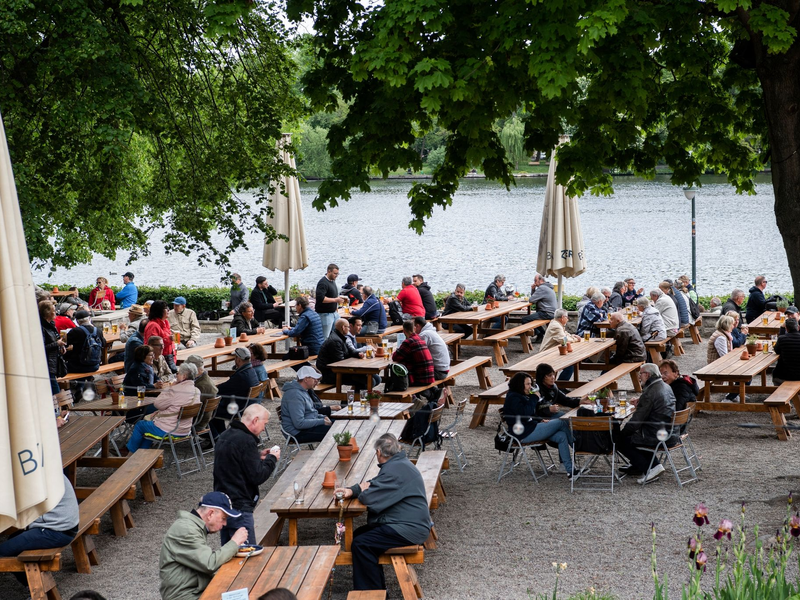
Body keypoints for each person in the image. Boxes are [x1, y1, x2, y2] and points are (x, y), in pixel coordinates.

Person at [335, 433, 431, 592]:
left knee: (361, 544)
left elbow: (369, 497)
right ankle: (377, 588)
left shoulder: (394, 469)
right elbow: (374, 484)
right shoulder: (398, 463)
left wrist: (363, 491)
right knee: (359, 535)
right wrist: (352, 490)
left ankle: (371, 593)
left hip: (408, 528)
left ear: (379, 452)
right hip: (407, 521)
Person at [159, 492, 248, 600]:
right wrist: (235, 542)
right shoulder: (186, 530)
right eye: (223, 518)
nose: (225, 524)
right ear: (210, 514)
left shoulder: (192, 526)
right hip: (185, 596)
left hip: (195, 590)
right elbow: (209, 564)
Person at [213, 404, 279, 544]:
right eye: (264, 423)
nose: (264, 428)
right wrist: (272, 459)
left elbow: (235, 463)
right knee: (247, 554)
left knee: (228, 551)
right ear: (255, 420)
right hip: (239, 505)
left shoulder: (226, 435)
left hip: (223, 503)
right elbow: (258, 476)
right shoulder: (246, 440)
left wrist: (257, 456)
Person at [502, 372, 575, 477]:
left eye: (531, 384)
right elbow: (525, 413)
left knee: (561, 436)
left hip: (531, 427)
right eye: (527, 384)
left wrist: (540, 420)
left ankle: (570, 470)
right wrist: (534, 398)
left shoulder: (521, 395)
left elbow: (531, 414)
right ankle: (578, 446)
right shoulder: (513, 397)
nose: (530, 387)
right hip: (523, 433)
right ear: (519, 384)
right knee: (561, 421)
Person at [616, 364, 676, 483]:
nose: (639, 377)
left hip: (655, 435)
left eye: (641, 374)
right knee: (632, 436)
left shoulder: (650, 392)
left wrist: (621, 433)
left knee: (620, 440)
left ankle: (651, 468)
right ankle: (638, 465)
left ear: (647, 375)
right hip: (671, 431)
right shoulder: (665, 386)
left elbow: (636, 421)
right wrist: (641, 403)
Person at [124, 362, 200, 454]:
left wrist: (168, 389)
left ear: (184, 376)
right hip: (185, 430)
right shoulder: (197, 391)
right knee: (148, 429)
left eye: (178, 373)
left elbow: (157, 404)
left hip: (169, 430)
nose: (176, 375)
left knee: (140, 425)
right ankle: (141, 456)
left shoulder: (175, 390)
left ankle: (130, 455)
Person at [0, 474, 79, 557]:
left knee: (3, 550)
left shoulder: (33, 476)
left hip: (55, 531)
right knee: (12, 539)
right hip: (65, 527)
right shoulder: (45, 469)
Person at [212, 346, 260, 439]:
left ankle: (217, 436)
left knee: (210, 409)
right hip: (250, 407)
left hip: (239, 409)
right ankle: (221, 434)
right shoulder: (251, 371)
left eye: (235, 358)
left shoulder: (241, 376)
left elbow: (220, 390)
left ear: (238, 360)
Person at [317, 319, 378, 390]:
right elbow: (341, 363)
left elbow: (351, 351)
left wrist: (358, 354)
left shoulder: (341, 337)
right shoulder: (335, 341)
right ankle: (350, 399)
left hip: (337, 371)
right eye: (348, 327)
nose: (349, 329)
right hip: (330, 374)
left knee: (376, 378)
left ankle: (350, 399)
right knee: (369, 381)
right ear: (343, 327)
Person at [280, 366, 333, 443]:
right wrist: (322, 421)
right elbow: (299, 423)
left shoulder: (303, 391)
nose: (317, 382)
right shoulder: (295, 395)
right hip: (297, 433)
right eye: (314, 379)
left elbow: (311, 412)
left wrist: (323, 417)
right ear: (306, 379)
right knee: (336, 431)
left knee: (339, 425)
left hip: (304, 429)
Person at [540, 308, 582, 380]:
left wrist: (572, 336)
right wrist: (575, 339)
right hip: (547, 354)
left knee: (572, 362)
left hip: (553, 352)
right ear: (562, 317)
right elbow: (564, 340)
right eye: (567, 317)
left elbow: (565, 335)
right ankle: (560, 386)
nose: (568, 319)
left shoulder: (556, 323)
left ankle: (561, 385)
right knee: (570, 365)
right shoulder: (556, 326)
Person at [391, 320, 435, 386]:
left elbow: (395, 357)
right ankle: (430, 392)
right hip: (430, 376)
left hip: (421, 378)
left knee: (397, 370)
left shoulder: (408, 342)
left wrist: (397, 350)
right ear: (414, 329)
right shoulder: (420, 339)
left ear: (404, 331)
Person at [65, 309, 106, 374]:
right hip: (95, 365)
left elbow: (64, 344)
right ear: (89, 319)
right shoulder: (98, 330)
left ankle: (78, 384)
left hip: (77, 366)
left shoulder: (75, 331)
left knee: (62, 366)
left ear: (77, 322)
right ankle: (85, 382)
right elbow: (103, 344)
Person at [41, 301, 66, 394]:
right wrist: (57, 344)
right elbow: (41, 347)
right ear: (47, 313)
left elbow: (55, 340)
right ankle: (58, 407)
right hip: (47, 363)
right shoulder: (42, 327)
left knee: (54, 387)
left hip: (54, 361)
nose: (56, 313)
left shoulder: (51, 324)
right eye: (54, 311)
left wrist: (61, 347)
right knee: (55, 389)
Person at [315, 263, 347, 339]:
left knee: (338, 333)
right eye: (335, 273)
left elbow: (332, 295)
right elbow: (321, 298)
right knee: (325, 336)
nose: (336, 275)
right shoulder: (323, 283)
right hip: (325, 314)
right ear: (329, 271)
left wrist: (340, 298)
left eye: (337, 274)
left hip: (334, 313)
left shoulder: (332, 281)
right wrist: (336, 300)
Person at [145, 300, 177, 372]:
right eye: (166, 308)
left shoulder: (165, 322)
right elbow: (153, 344)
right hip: (159, 359)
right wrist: (169, 339)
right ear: (159, 311)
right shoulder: (153, 325)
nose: (168, 310)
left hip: (169, 356)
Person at [413, 316, 450, 380]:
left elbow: (416, 351)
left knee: (410, 374)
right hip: (444, 368)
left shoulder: (424, 334)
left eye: (413, 327)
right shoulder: (430, 331)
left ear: (417, 326)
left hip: (439, 372)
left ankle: (431, 390)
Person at [523, 273, 557, 341]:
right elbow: (535, 299)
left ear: (541, 280)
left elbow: (531, 300)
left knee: (524, 320)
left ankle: (540, 333)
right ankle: (541, 333)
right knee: (532, 319)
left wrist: (533, 289)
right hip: (552, 312)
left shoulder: (542, 288)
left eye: (535, 280)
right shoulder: (548, 287)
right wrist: (533, 289)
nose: (534, 283)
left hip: (546, 313)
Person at [773, 318, 800, 385]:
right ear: (798, 327)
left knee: (775, 373)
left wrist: (782, 329)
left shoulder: (782, 339)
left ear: (786, 329)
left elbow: (777, 351)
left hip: (784, 376)